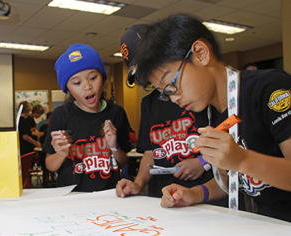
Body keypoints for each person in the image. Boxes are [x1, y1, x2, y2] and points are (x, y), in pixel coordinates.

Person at [134, 13, 291, 222]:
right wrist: (194, 194)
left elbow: (243, 165)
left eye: (171, 85)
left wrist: (243, 160)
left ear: (200, 53)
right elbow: (233, 180)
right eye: (165, 92)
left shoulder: (270, 88)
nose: (173, 98)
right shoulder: (209, 112)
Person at [116, 24, 218, 203]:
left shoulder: (198, 92)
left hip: (207, 196)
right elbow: (150, 152)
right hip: (163, 198)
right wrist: (138, 184)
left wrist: (202, 162)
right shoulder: (148, 103)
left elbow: (229, 141)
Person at [43, 44, 132, 192]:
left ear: (102, 79)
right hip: (72, 195)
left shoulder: (116, 112)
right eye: (77, 83)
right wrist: (61, 154)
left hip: (109, 193)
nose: (87, 86)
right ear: (68, 89)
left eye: (93, 77)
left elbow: (124, 161)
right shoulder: (61, 115)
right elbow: (50, 165)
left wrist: (114, 147)